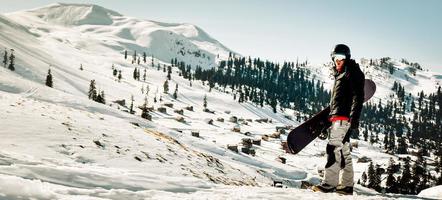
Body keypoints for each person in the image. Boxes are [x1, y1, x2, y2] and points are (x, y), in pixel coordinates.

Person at [312, 44, 365, 195]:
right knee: (344, 151)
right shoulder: (340, 74)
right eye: (336, 57)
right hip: (338, 117)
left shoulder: (351, 72)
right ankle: (347, 186)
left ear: (347, 58)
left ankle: (329, 184)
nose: (338, 60)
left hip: (343, 117)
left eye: (342, 57)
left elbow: (358, 96)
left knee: (333, 148)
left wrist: (355, 117)